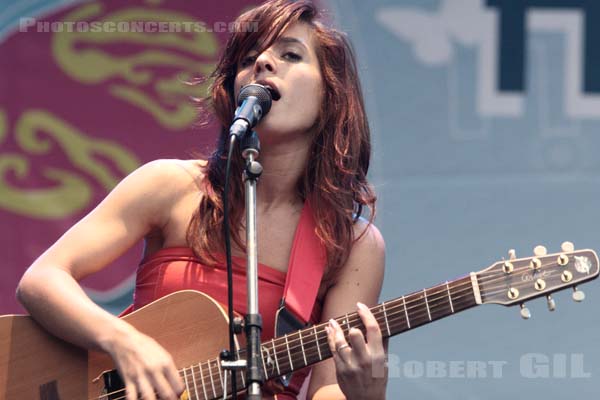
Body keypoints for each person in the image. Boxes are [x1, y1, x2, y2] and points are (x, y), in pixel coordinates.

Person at [16, 0, 387, 399]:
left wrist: (365, 393)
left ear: (330, 95)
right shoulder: (171, 185)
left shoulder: (351, 243)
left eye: (290, 55)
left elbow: (328, 387)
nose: (262, 62)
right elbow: (42, 280)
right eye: (248, 57)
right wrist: (123, 342)